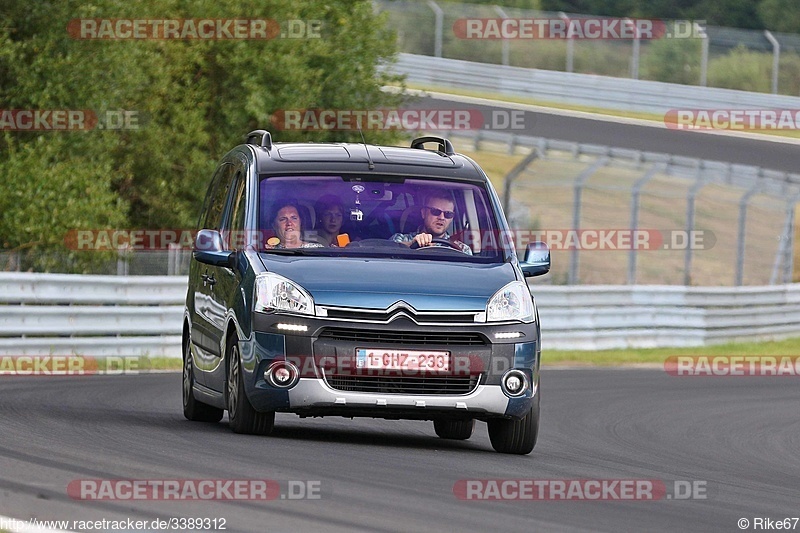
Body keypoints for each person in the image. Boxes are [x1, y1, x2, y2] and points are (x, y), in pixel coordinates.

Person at [391, 189, 472, 254]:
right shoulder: (400, 239)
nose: (441, 217)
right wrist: (411, 244)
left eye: (448, 214)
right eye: (435, 212)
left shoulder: (461, 250)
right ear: (423, 213)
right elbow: (389, 251)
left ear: (452, 218)